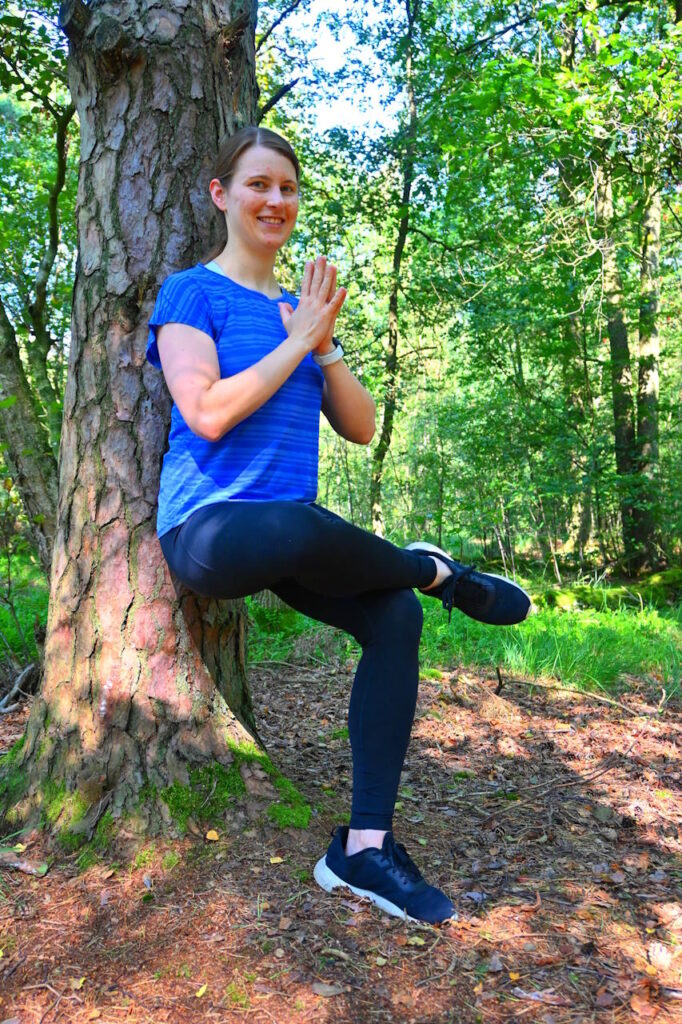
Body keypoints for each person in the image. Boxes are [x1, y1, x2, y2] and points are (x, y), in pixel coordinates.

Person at [146, 125, 530, 926]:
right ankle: (439, 570)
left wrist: (320, 345)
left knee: (396, 615)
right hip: (211, 532)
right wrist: (293, 340)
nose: (275, 201)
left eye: (287, 188)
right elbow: (206, 412)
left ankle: (361, 848)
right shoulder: (192, 293)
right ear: (221, 195)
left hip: (295, 539)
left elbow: (358, 425)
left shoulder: (304, 310)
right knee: (298, 521)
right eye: (258, 184)